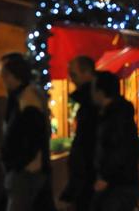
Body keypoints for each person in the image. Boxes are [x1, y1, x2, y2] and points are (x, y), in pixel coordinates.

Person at [0, 53, 55, 211]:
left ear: (12, 75)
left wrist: (18, 163)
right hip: (24, 169)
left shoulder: (28, 99)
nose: (1, 78)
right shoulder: (22, 96)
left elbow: (33, 136)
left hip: (26, 172)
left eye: (3, 73)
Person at [91, 71, 139, 211]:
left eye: (93, 89)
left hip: (117, 186)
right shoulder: (116, 113)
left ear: (101, 92)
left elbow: (120, 149)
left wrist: (106, 177)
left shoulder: (115, 116)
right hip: (121, 183)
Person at [61, 56, 98, 211]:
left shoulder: (94, 103)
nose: (71, 79)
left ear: (87, 73)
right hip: (88, 177)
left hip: (91, 178)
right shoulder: (87, 102)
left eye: (74, 75)